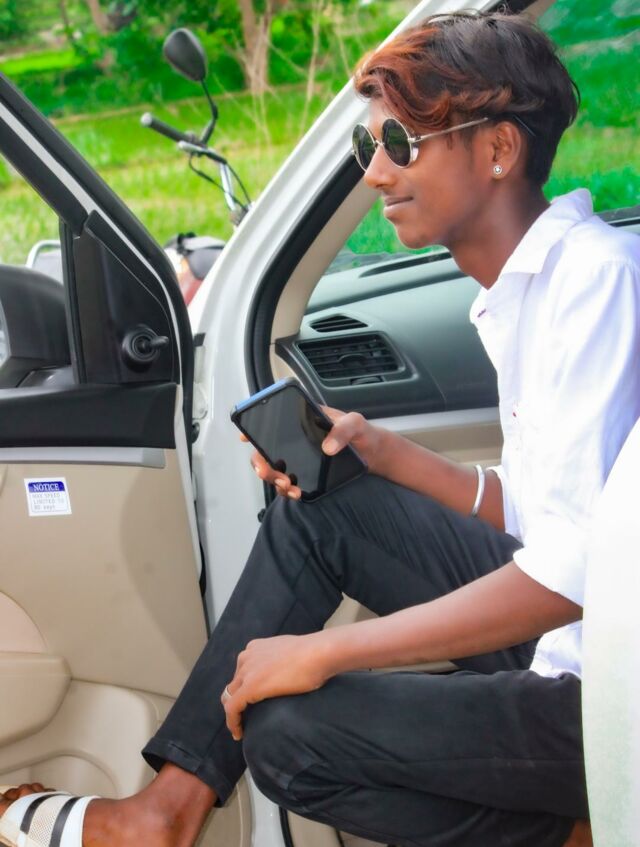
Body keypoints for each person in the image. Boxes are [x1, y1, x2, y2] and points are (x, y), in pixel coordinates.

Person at [1, 10, 639, 847]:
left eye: (400, 143)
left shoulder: (594, 282)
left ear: (498, 149)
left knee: (288, 736)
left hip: (612, 692)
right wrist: (388, 454)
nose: (375, 172)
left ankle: (567, 833)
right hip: (576, 635)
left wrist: (331, 652)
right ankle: (165, 810)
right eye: (365, 146)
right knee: (322, 512)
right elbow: (542, 514)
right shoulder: (525, 291)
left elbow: (573, 575)